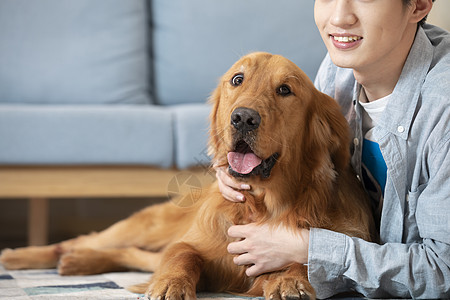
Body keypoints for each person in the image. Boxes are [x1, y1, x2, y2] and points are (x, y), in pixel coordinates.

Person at [215, 0, 450, 298]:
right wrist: (235, 164)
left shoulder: (444, 111)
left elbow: (444, 272)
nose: (339, 17)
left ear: (417, 5)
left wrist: (308, 248)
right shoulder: (337, 71)